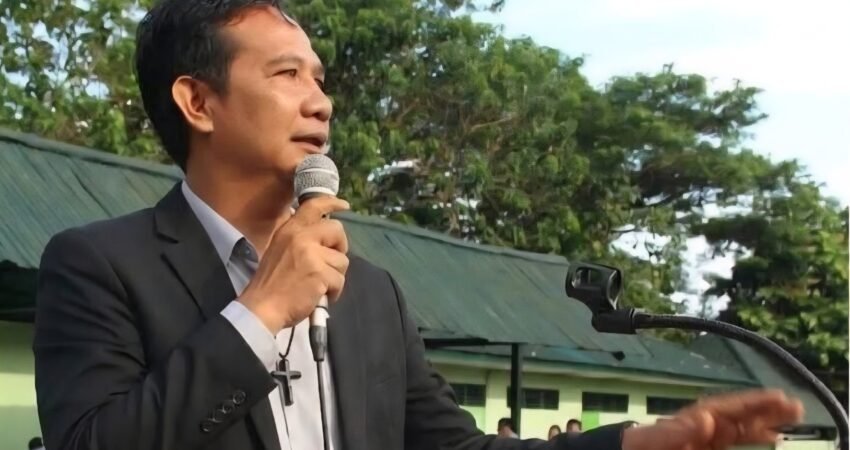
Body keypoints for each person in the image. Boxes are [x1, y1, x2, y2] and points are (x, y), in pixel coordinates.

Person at [32, 1, 804, 450]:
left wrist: (636, 443)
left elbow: (457, 449)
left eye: (320, 79)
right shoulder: (99, 265)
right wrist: (260, 313)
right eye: (286, 74)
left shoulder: (370, 292)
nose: (320, 102)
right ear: (198, 102)